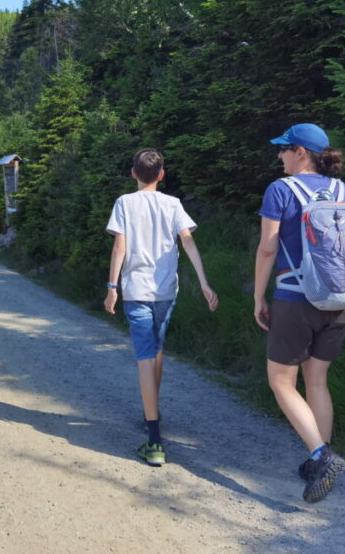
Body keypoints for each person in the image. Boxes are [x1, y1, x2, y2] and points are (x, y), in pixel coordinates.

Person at [254, 123, 345, 503]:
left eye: (284, 149)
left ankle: (321, 455)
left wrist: (259, 297)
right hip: (343, 299)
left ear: (301, 153)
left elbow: (267, 249)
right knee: (318, 381)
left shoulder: (281, 190)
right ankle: (318, 461)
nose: (280, 156)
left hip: (297, 297)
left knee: (280, 381)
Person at [104, 148, 218, 467]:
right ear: (162, 175)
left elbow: (120, 246)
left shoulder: (125, 203)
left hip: (137, 290)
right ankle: (152, 409)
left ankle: (154, 440)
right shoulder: (173, 204)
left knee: (144, 357)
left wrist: (112, 288)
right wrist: (204, 282)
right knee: (156, 350)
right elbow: (188, 240)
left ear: (133, 174)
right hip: (166, 290)